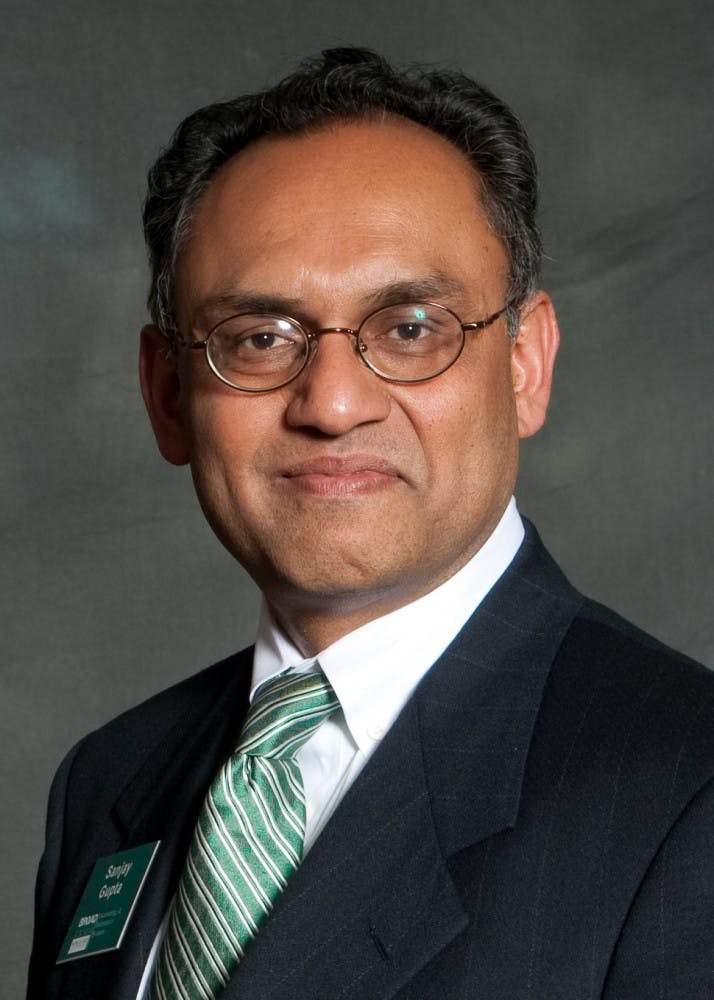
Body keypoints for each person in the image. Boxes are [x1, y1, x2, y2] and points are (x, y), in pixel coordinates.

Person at [28, 47, 713, 999]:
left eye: (410, 328)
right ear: (166, 393)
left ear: (525, 365)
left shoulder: (689, 791)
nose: (336, 402)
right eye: (260, 338)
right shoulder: (111, 781)